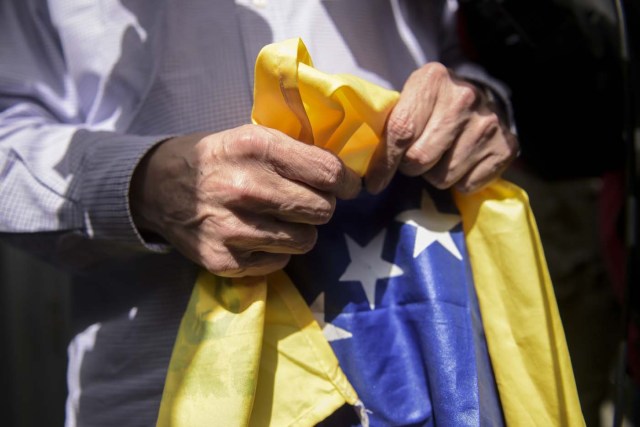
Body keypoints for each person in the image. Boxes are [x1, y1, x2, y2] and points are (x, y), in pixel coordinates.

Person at [0, 0, 517, 425]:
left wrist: (480, 102)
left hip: (424, 339)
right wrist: (140, 183)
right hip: (163, 370)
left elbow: (473, 46)